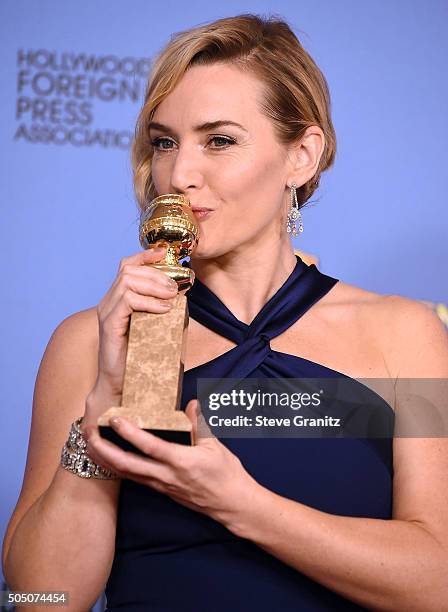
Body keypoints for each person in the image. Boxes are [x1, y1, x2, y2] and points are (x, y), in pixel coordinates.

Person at [3, 13, 448, 612]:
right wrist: (105, 404)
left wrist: (237, 502)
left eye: (219, 140)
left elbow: (439, 581)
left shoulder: (406, 335)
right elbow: (41, 599)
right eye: (165, 142)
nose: (180, 175)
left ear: (302, 157)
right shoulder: (89, 341)